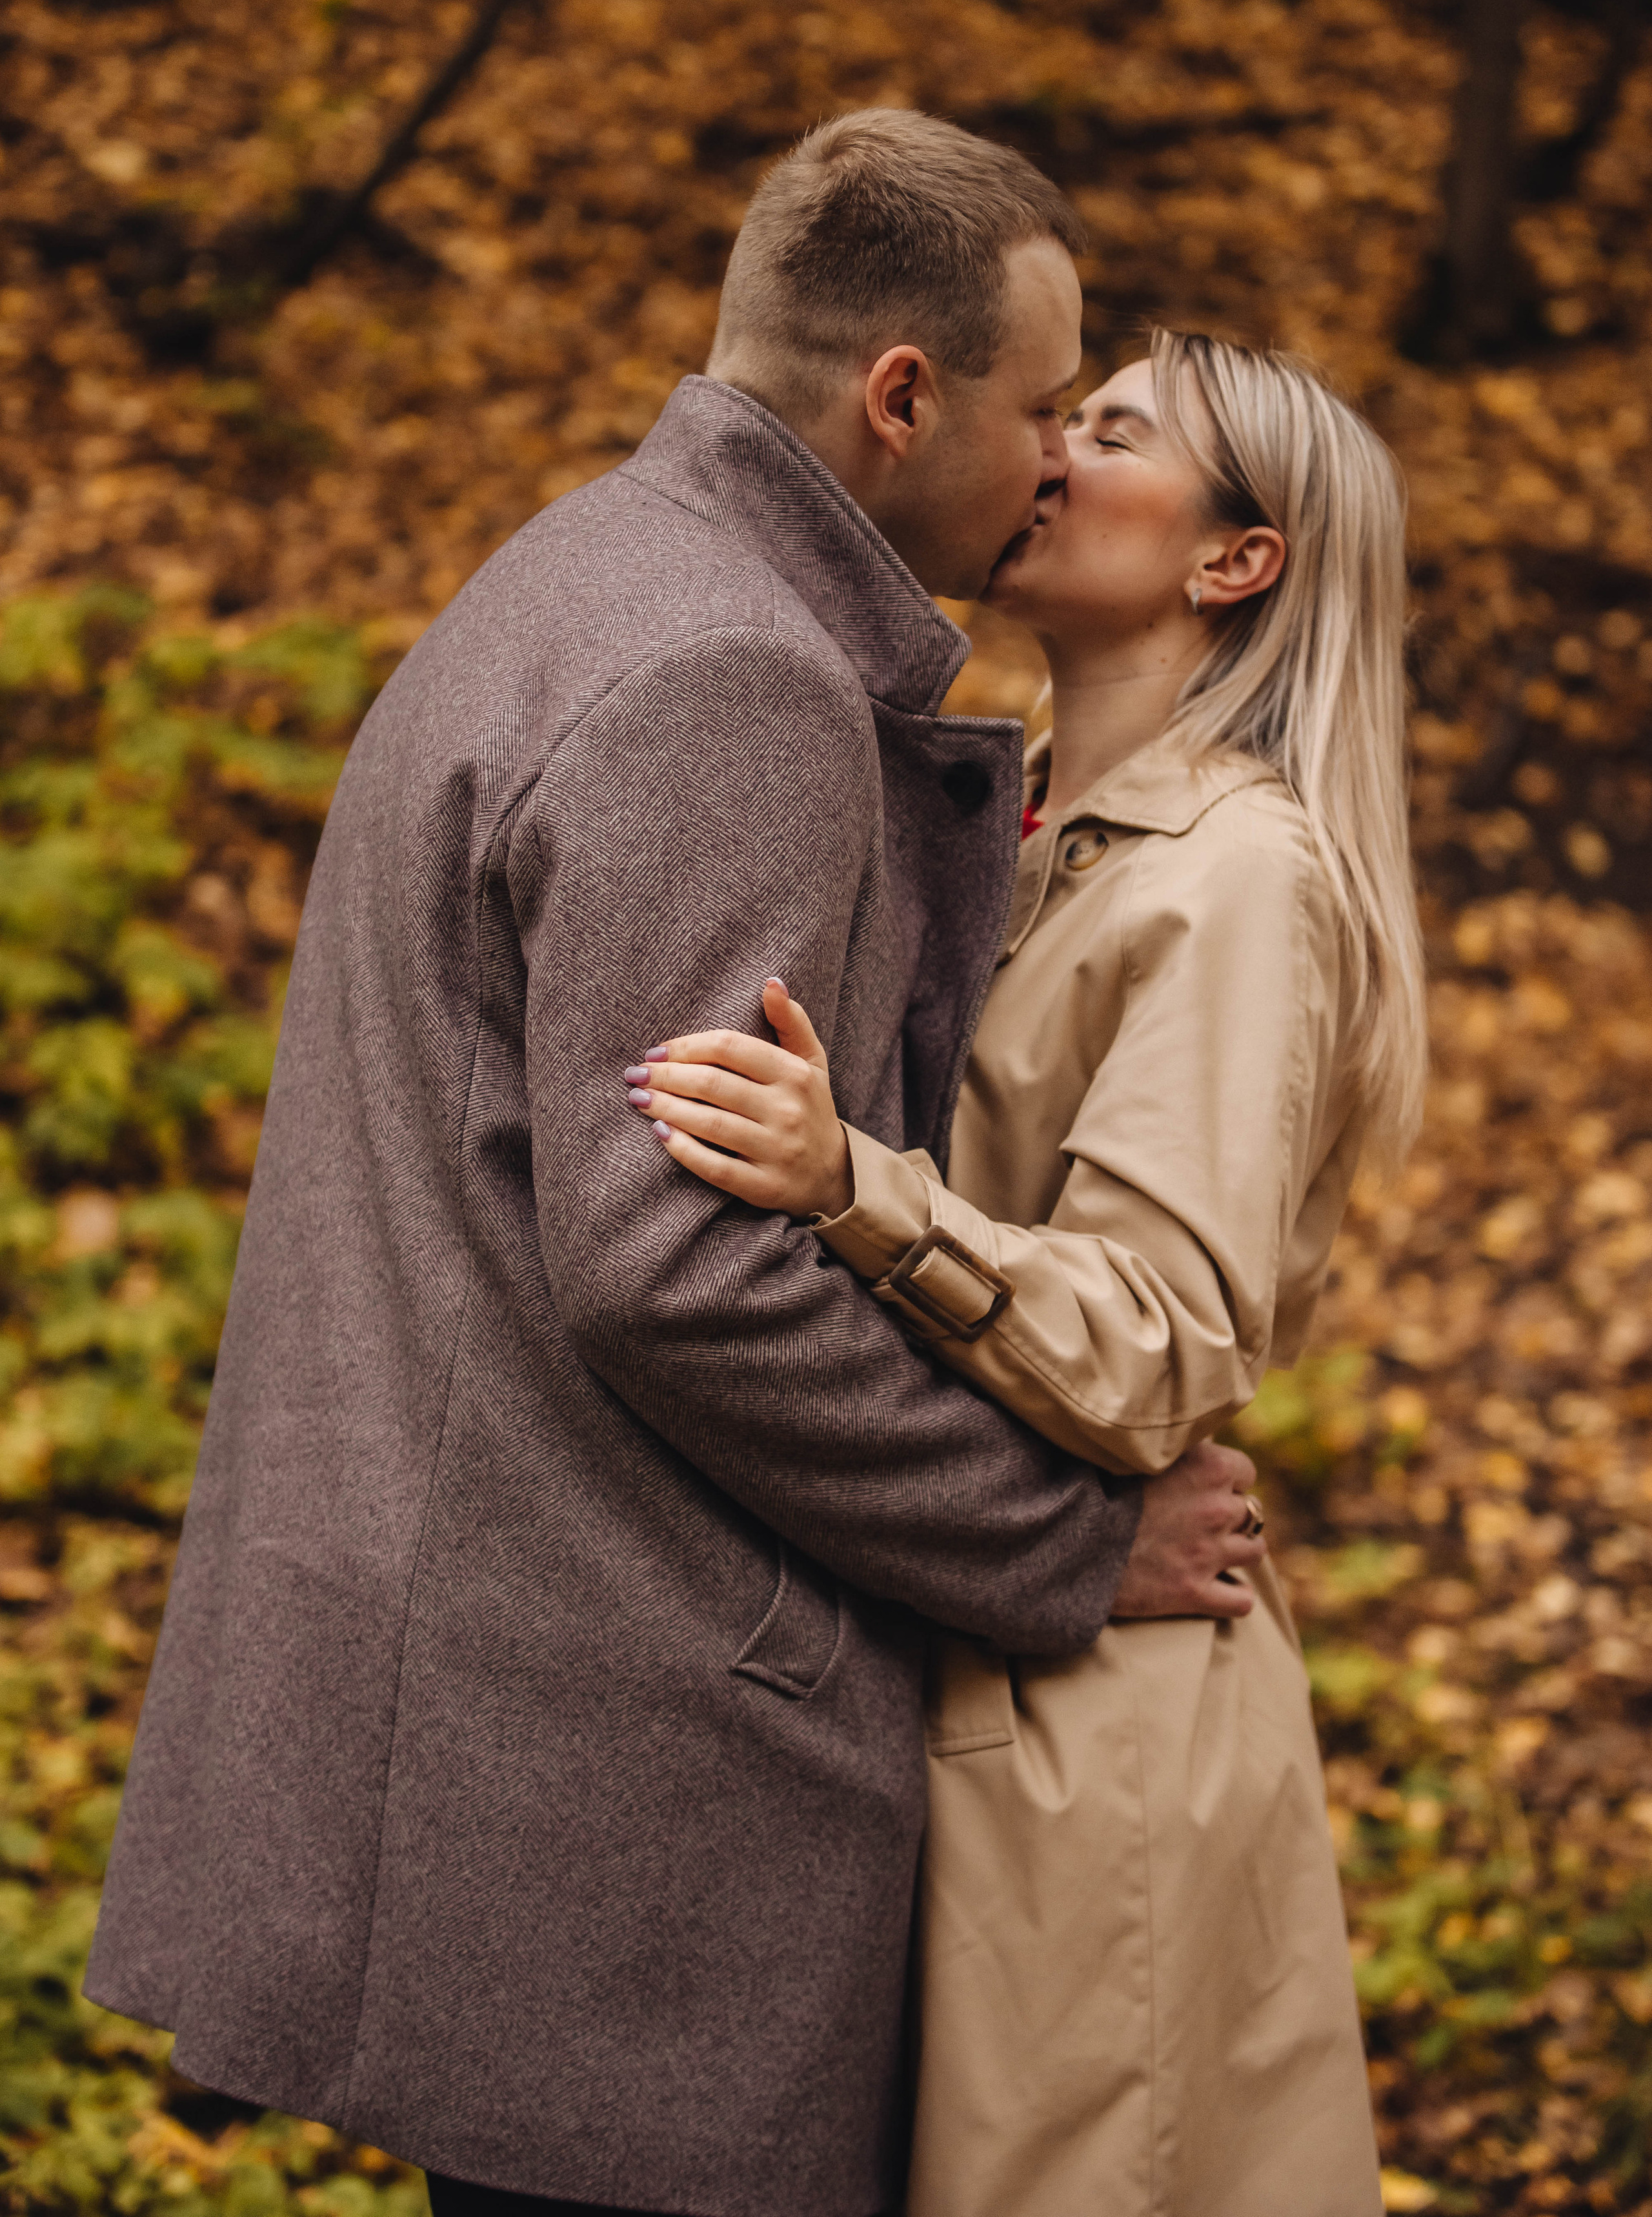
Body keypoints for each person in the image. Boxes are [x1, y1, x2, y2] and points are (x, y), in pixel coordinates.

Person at [83, 114, 1262, 2217]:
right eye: (1039, 410)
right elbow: (681, 1272)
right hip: (615, 1771)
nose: (1055, 464)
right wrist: (1064, 1544)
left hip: (502, 1709)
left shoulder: (581, 568)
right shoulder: (733, 680)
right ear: (899, 398)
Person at [631, 327, 1427, 2216]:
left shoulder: (1239, 879)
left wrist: (854, 1187)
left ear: (1236, 559)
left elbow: (1158, 1338)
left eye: (1115, 430)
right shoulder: (1026, 821)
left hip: (1094, 1738)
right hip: (962, 1653)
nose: (1050, 453)